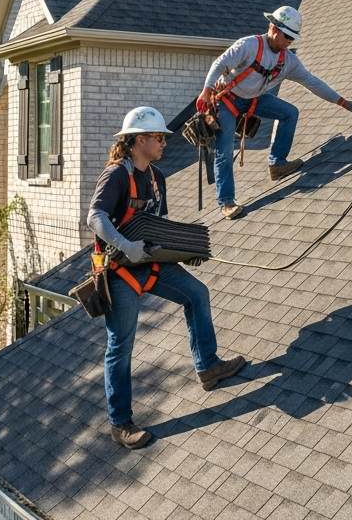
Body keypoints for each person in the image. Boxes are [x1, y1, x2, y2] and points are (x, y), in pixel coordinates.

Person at [85, 106, 245, 449]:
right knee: (121, 347)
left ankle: (208, 367)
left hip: (151, 264)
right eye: (159, 137)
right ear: (139, 139)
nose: (164, 143)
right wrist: (126, 245)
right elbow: (95, 217)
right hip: (118, 271)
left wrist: (184, 251)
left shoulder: (156, 177)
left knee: (196, 293)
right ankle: (120, 423)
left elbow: (161, 225)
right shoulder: (116, 175)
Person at [196, 6, 352, 220]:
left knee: (289, 112)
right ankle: (226, 202)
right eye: (287, 36)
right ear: (273, 28)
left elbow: (313, 83)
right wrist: (207, 89)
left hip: (253, 100)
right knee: (224, 150)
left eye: (293, 38)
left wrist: (345, 103)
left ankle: (277, 164)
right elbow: (220, 63)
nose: (289, 42)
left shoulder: (287, 61)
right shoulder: (249, 46)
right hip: (228, 101)